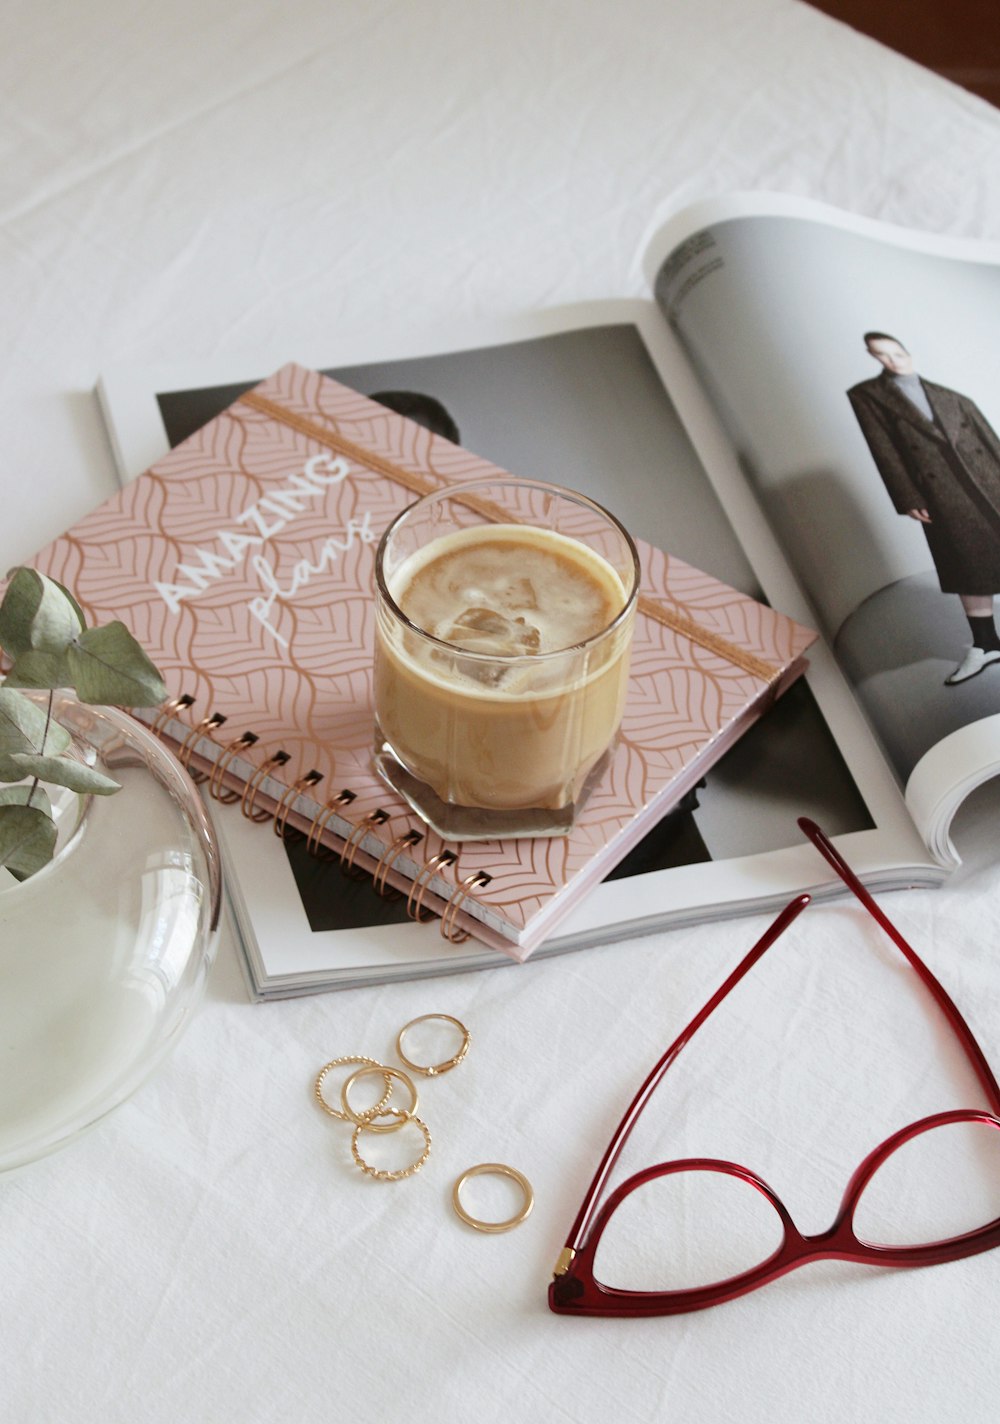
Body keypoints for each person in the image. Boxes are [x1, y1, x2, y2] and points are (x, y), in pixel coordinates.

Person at [848, 332, 1000, 685]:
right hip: (940, 491)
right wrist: (908, 496)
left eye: (895, 352)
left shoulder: (952, 397)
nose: (891, 361)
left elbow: (991, 443)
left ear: (907, 351)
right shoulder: (868, 396)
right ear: (873, 358)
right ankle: (987, 643)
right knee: (966, 563)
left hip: (989, 484)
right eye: (881, 356)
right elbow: (883, 448)